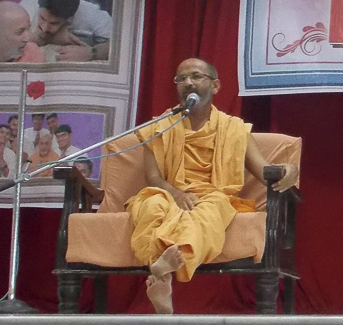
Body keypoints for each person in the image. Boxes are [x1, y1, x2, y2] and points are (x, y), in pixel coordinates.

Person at [125, 57, 299, 314]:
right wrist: (175, 193)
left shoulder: (234, 129)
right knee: (151, 205)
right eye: (181, 78)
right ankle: (162, 271)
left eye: (196, 76)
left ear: (215, 86)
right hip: (169, 193)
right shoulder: (159, 127)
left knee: (209, 211)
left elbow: (265, 172)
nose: (188, 83)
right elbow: (153, 177)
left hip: (213, 195)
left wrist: (290, 170)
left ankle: (162, 271)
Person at [20, 0, 111, 62]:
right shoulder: (29, 5)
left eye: (54, 23)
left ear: (69, 19)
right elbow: (15, 41)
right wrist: (53, 38)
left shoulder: (94, 16)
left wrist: (91, 53)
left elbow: (115, 47)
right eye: (42, 18)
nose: (44, 28)